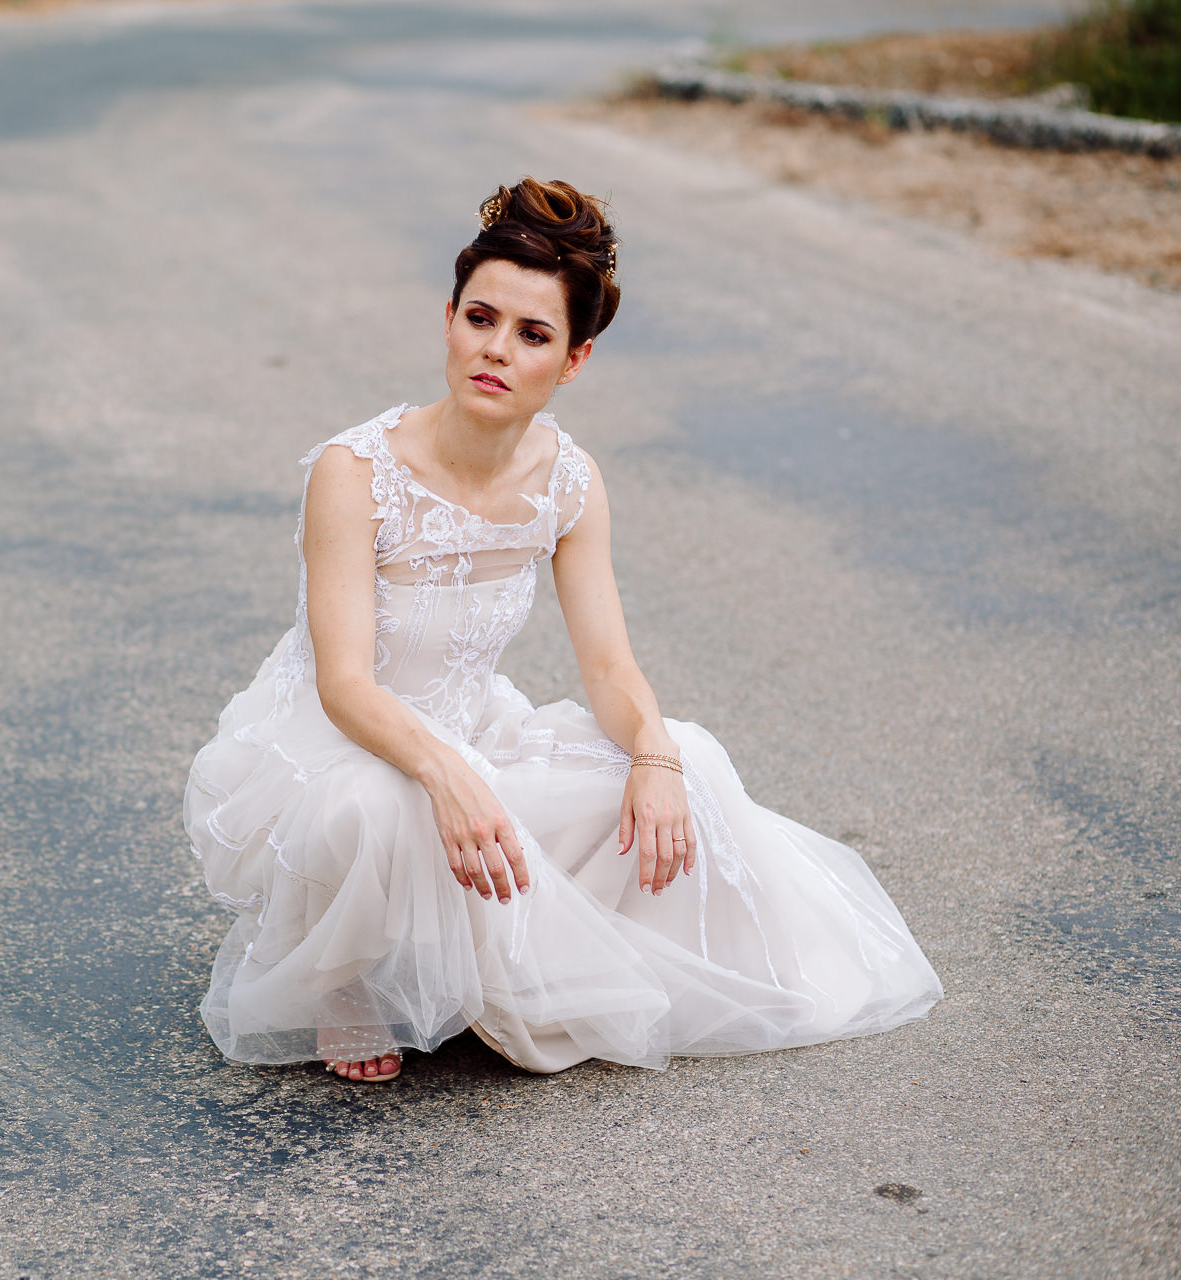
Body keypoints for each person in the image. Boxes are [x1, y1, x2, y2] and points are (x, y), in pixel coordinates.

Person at [184, 177, 942, 1083]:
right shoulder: (355, 472)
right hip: (340, 750)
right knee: (376, 810)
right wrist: (443, 774)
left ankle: (483, 956)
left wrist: (655, 757)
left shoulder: (570, 481)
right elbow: (343, 685)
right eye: (480, 317)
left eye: (532, 334)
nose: (494, 350)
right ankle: (343, 977)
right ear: (451, 317)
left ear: (574, 360)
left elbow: (610, 668)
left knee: (684, 768)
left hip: (475, 739)